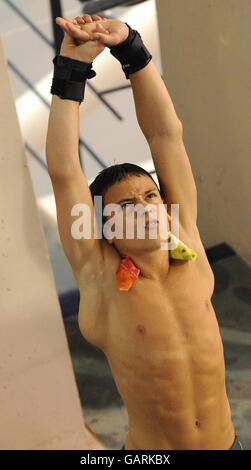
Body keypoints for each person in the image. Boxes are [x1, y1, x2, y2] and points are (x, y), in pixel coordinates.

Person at [46, 13, 243, 450]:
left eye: (151, 196)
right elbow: (65, 173)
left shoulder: (186, 237)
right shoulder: (100, 277)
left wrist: (132, 50)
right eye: (128, 207)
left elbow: (165, 135)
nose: (147, 209)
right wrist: (72, 70)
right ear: (105, 228)